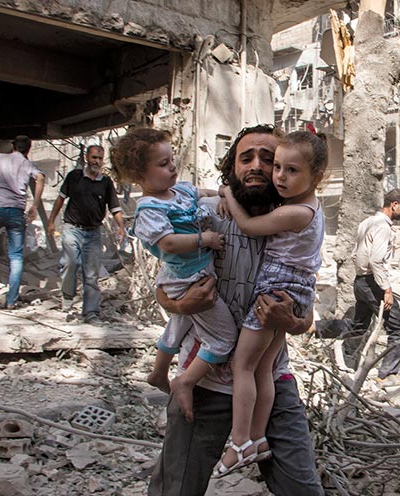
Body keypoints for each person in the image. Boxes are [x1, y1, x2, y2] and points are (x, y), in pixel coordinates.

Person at [147, 124, 324, 496]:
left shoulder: (296, 222)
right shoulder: (204, 214)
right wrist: (181, 304)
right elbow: (166, 288)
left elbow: (306, 316)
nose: (259, 166)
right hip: (204, 382)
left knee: (303, 490)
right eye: (247, 158)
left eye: (270, 159)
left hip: (270, 383)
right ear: (231, 169)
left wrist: (290, 319)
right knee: (175, 489)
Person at [214, 131, 325, 478]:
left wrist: (228, 193)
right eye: (277, 167)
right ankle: (258, 439)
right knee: (261, 368)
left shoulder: (290, 213)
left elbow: (247, 225)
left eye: (290, 169)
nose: (277, 175)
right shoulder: (301, 208)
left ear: (317, 176)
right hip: (290, 289)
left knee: (244, 366)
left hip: (276, 291)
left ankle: (240, 442)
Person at [110, 127, 236, 421]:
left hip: (191, 273)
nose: (172, 167)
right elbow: (167, 242)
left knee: (179, 325)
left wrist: (223, 193)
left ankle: (158, 372)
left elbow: (201, 192)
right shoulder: (150, 208)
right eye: (163, 164)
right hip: (185, 278)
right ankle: (186, 380)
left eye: (172, 160)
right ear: (140, 176)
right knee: (223, 337)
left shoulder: (178, 191)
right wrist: (204, 240)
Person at [47, 145, 125, 324]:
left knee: (91, 274)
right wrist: (51, 221)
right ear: (86, 158)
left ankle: (90, 313)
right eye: (94, 158)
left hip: (93, 233)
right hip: (72, 228)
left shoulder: (105, 182)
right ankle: (67, 298)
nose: (96, 161)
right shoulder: (74, 177)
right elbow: (60, 199)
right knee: (70, 262)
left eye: (99, 158)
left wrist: (121, 226)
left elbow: (114, 207)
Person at [347, 188, 400, 382]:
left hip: (360, 281)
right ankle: (388, 374)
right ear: (394, 205)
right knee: (399, 328)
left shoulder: (367, 222)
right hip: (373, 282)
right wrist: (387, 289)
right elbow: (376, 260)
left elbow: (355, 253)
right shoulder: (382, 227)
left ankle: (317, 329)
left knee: (357, 327)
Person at [0, 135, 45, 309]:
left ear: (12, 146)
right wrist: (35, 206)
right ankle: (11, 300)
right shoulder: (27, 164)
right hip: (16, 212)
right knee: (15, 256)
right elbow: (41, 178)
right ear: (28, 150)